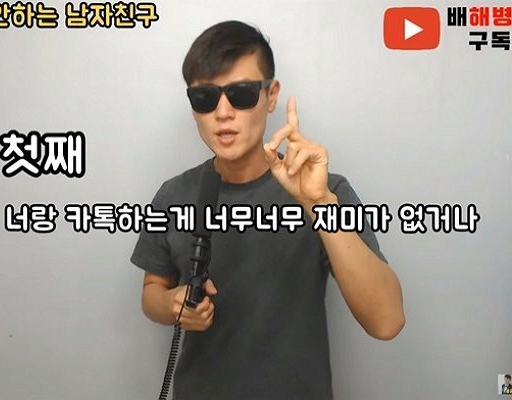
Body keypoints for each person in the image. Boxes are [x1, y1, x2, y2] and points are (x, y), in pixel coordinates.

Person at [130, 20, 405, 399]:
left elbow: (387, 321)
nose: (222, 113)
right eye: (204, 98)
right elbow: (152, 291)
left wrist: (319, 204)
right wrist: (172, 305)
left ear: (271, 95)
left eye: (241, 94)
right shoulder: (174, 195)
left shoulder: (326, 192)